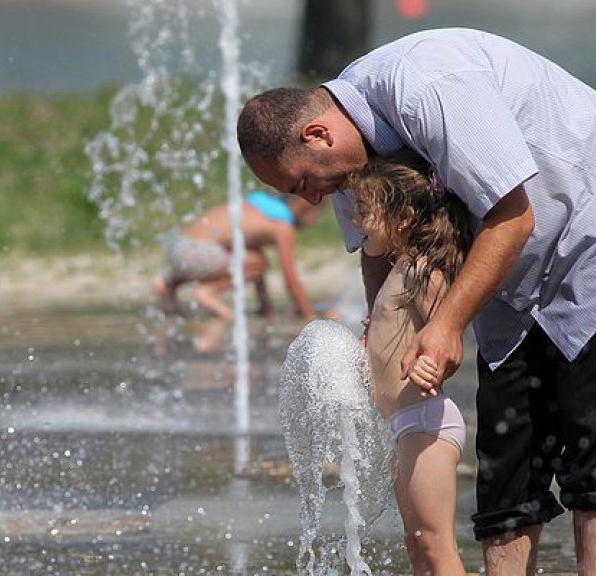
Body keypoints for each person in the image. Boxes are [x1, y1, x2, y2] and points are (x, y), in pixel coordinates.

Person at [237, 27, 596, 574]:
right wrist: (377, 337)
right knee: (507, 475)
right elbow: (375, 253)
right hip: (510, 280)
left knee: (589, 467)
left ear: (317, 135)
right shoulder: (351, 159)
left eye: (302, 183)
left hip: (583, 236)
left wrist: (448, 324)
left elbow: (512, 215)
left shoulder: (425, 85)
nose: (309, 200)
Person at [349, 152, 471, 574]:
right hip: (406, 425)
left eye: (363, 212)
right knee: (417, 547)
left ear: (401, 218)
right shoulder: (399, 268)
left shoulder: (422, 269)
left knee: (436, 547)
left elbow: (445, 337)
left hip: (426, 421)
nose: (354, 222)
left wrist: (433, 366)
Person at [153, 190, 323, 324]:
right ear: (305, 205)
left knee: (254, 260)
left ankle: (166, 283)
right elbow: (291, 280)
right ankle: (208, 293)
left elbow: (252, 260)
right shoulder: (282, 224)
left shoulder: (258, 204)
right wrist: (309, 316)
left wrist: (267, 310)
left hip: (179, 249)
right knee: (259, 264)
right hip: (201, 253)